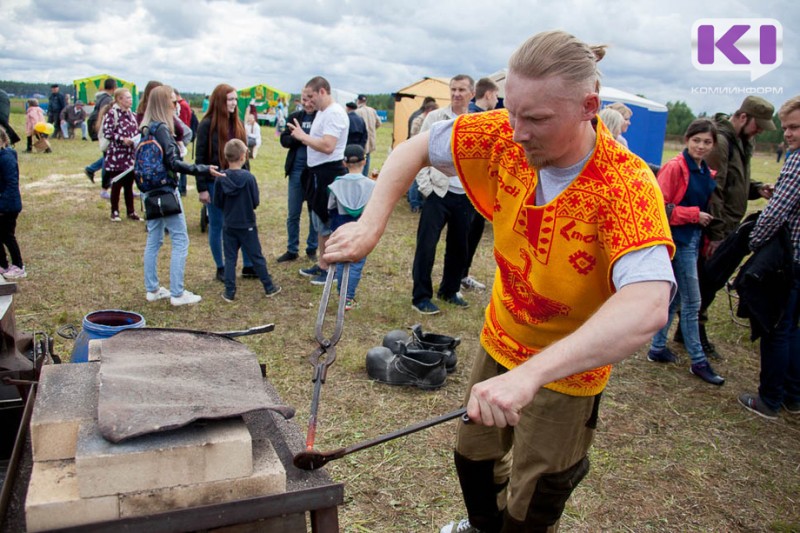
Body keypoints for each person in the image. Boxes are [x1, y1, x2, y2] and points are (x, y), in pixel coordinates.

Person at [323, 30, 674, 532]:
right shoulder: (503, 135)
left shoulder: (625, 185)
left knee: (537, 493)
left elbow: (647, 306)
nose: (516, 132)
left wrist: (531, 376)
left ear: (587, 106)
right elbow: (414, 149)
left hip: (567, 371)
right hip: (501, 337)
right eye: (512, 112)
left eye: (536, 119)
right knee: (474, 458)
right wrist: (372, 222)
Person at [689, 96, 776, 358]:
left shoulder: (743, 143)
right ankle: (694, 331)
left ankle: (690, 330)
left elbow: (736, 184)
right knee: (706, 280)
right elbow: (714, 188)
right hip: (715, 227)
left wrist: (757, 188)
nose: (759, 130)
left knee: (712, 281)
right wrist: (715, 234)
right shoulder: (722, 142)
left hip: (728, 225)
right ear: (742, 117)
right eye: (757, 125)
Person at [647, 119, 724, 385]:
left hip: (692, 241)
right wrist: (693, 215)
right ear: (687, 140)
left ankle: (657, 348)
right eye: (697, 140)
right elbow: (658, 206)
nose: (701, 146)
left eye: (707, 142)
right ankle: (699, 361)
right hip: (678, 241)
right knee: (692, 302)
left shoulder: (704, 171)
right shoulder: (675, 167)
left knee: (678, 299)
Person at [738, 95, 800, 419]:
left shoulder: (796, 160)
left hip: (789, 261)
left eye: (794, 127)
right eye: (786, 127)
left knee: (776, 328)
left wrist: (755, 242)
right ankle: (792, 394)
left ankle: (769, 400)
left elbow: (775, 214)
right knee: (793, 328)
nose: (787, 134)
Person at [140, 85, 219, 307]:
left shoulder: (146, 128)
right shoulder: (163, 129)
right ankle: (177, 292)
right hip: (166, 191)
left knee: (154, 238)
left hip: (150, 191)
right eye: (173, 102)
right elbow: (173, 164)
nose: (177, 106)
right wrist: (203, 169)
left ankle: (152, 288)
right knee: (180, 239)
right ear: (165, 104)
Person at [410, 74, 476, 315]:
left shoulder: (475, 122)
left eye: (462, 90)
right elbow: (417, 150)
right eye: (453, 89)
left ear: (472, 94)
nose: (457, 94)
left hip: (465, 193)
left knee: (459, 247)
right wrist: (426, 188)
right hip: (438, 190)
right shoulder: (436, 118)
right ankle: (421, 297)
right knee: (427, 246)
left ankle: (449, 290)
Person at [288, 76, 349, 285]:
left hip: (328, 173)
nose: (308, 102)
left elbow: (327, 146)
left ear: (322, 91)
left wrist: (301, 136)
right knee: (318, 221)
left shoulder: (334, 113)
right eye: (306, 98)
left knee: (326, 222)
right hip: (316, 173)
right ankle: (323, 264)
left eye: (311, 96)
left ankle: (330, 269)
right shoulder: (323, 112)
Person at [195, 83, 255, 282]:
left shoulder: (237, 124)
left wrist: (247, 180)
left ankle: (248, 265)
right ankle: (221, 267)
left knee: (244, 223)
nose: (234, 103)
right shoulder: (207, 125)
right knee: (218, 224)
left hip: (238, 181)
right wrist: (202, 188)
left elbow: (244, 155)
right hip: (216, 183)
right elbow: (200, 159)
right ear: (220, 101)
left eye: (236, 99)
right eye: (230, 99)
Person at [213, 139, 281, 302]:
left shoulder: (220, 178)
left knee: (229, 259)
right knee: (256, 256)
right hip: (247, 224)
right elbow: (255, 201)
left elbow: (217, 202)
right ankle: (269, 286)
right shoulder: (249, 178)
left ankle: (229, 292)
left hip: (229, 224)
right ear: (244, 156)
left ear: (226, 157)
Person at [461, 77, 501, 293]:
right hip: (471, 187)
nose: (497, 100)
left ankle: (463, 273)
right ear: (488, 94)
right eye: (496, 95)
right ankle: (460, 275)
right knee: (466, 235)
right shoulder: (475, 118)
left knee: (473, 233)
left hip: (480, 185)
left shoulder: (483, 116)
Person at [328, 144, 375, 310]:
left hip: (341, 226)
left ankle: (341, 292)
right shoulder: (371, 185)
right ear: (364, 161)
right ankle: (348, 297)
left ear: (344, 163)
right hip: (361, 227)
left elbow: (331, 206)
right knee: (356, 261)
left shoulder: (337, 184)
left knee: (341, 260)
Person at [277, 91, 318, 263]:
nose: (307, 103)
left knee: (314, 213)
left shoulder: (321, 118)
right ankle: (292, 249)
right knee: (293, 213)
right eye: (304, 100)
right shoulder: (295, 117)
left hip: (314, 172)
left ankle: (312, 248)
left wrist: (305, 137)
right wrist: (297, 137)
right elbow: (284, 140)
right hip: (296, 171)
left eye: (310, 100)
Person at [101, 88, 140, 222]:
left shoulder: (132, 115)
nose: (131, 100)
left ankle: (131, 211)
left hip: (130, 155)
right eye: (127, 98)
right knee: (116, 184)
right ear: (119, 99)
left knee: (129, 185)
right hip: (116, 155)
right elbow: (107, 132)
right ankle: (115, 211)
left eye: (131, 97)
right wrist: (122, 139)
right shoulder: (112, 114)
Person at [0, 126, 25, 280]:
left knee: (7, 236)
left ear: (2, 140)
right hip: (3, 202)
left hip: (8, 205)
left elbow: (11, 183)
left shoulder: (6, 157)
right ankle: (3, 264)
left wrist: (2, 205)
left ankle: (19, 266)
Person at [85, 78, 117, 189]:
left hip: (96, 124)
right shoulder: (107, 99)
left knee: (109, 154)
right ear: (114, 88)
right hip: (100, 125)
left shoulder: (101, 97)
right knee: (108, 154)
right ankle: (106, 182)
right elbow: (104, 113)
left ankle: (91, 168)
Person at [408, 99, 439, 213]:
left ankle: (420, 202)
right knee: (416, 178)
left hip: (425, 151)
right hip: (416, 151)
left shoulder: (426, 119)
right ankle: (414, 202)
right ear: (429, 110)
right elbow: (414, 136)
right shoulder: (418, 120)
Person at [354, 94, 382, 176]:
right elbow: (379, 123)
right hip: (371, 141)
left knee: (360, 161)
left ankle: (360, 177)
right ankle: (365, 177)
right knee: (367, 158)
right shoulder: (372, 110)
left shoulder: (357, 112)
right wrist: (373, 129)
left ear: (358, 101)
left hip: (361, 142)